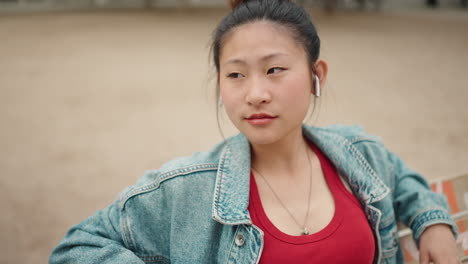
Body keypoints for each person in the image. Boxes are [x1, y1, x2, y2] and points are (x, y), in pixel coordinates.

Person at [49, 0, 460, 263]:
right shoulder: (188, 189)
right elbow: (76, 248)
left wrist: (433, 222)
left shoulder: (359, 154)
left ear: (317, 75)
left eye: (275, 70)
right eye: (236, 74)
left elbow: (404, 181)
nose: (255, 94)